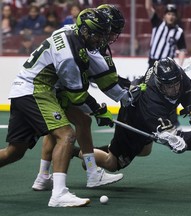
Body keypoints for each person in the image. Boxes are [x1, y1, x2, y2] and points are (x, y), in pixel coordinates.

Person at [0, 8, 114, 207]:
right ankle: (59, 194)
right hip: (35, 90)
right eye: (98, 35)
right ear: (86, 32)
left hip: (23, 90)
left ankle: (49, 179)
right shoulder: (70, 55)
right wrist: (98, 110)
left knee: (14, 152)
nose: (100, 40)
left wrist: (95, 110)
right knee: (66, 134)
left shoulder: (70, 31)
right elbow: (76, 94)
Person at [31, 5, 138, 191]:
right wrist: (123, 98)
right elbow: (105, 81)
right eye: (110, 31)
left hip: (50, 86)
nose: (111, 36)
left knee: (73, 124)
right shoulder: (87, 45)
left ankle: (43, 177)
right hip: (48, 90)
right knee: (67, 130)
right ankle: (83, 178)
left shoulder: (76, 32)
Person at [76, 57, 191, 172]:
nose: (174, 90)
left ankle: (104, 151)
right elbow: (176, 141)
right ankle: (78, 152)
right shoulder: (152, 103)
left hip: (144, 116)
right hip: (133, 119)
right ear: (160, 84)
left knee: (145, 150)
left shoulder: (178, 74)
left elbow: (186, 93)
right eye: (169, 87)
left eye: (176, 85)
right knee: (113, 163)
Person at [145, 0, 187, 68]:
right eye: (169, 14)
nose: (171, 17)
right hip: (152, 63)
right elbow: (148, 7)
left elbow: (182, 50)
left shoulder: (179, 32)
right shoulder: (157, 23)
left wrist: (180, 66)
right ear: (164, 15)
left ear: (176, 17)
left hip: (167, 66)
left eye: (173, 15)